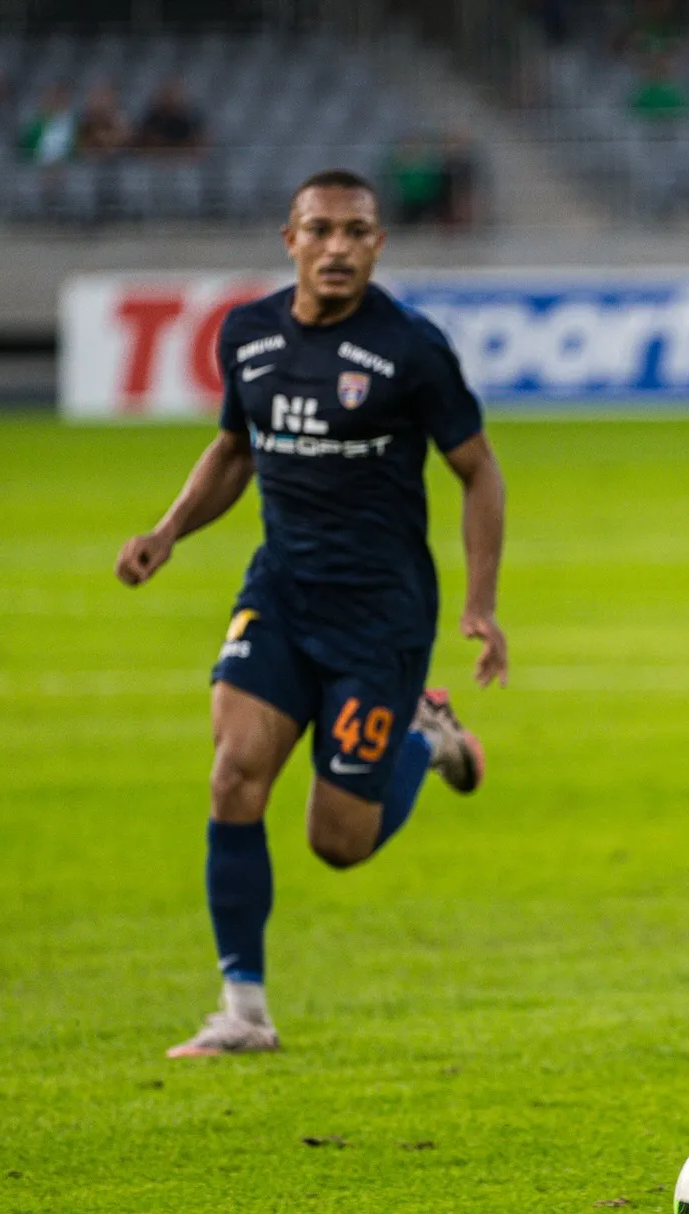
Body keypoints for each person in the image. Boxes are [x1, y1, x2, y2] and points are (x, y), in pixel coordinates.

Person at [114, 170, 507, 1058]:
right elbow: (233, 450)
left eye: (356, 232)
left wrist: (480, 604)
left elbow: (478, 469)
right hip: (281, 596)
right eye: (321, 230)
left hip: (380, 621)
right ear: (289, 239)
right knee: (233, 776)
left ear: (378, 244)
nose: (338, 248)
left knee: (338, 842)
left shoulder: (411, 349)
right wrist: (168, 532)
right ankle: (243, 1011)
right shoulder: (248, 335)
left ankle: (425, 737)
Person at [133, 79, 205, 156]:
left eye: (172, 95)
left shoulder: (188, 120)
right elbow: (145, 142)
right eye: (166, 96)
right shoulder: (153, 118)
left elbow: (196, 145)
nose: (169, 99)